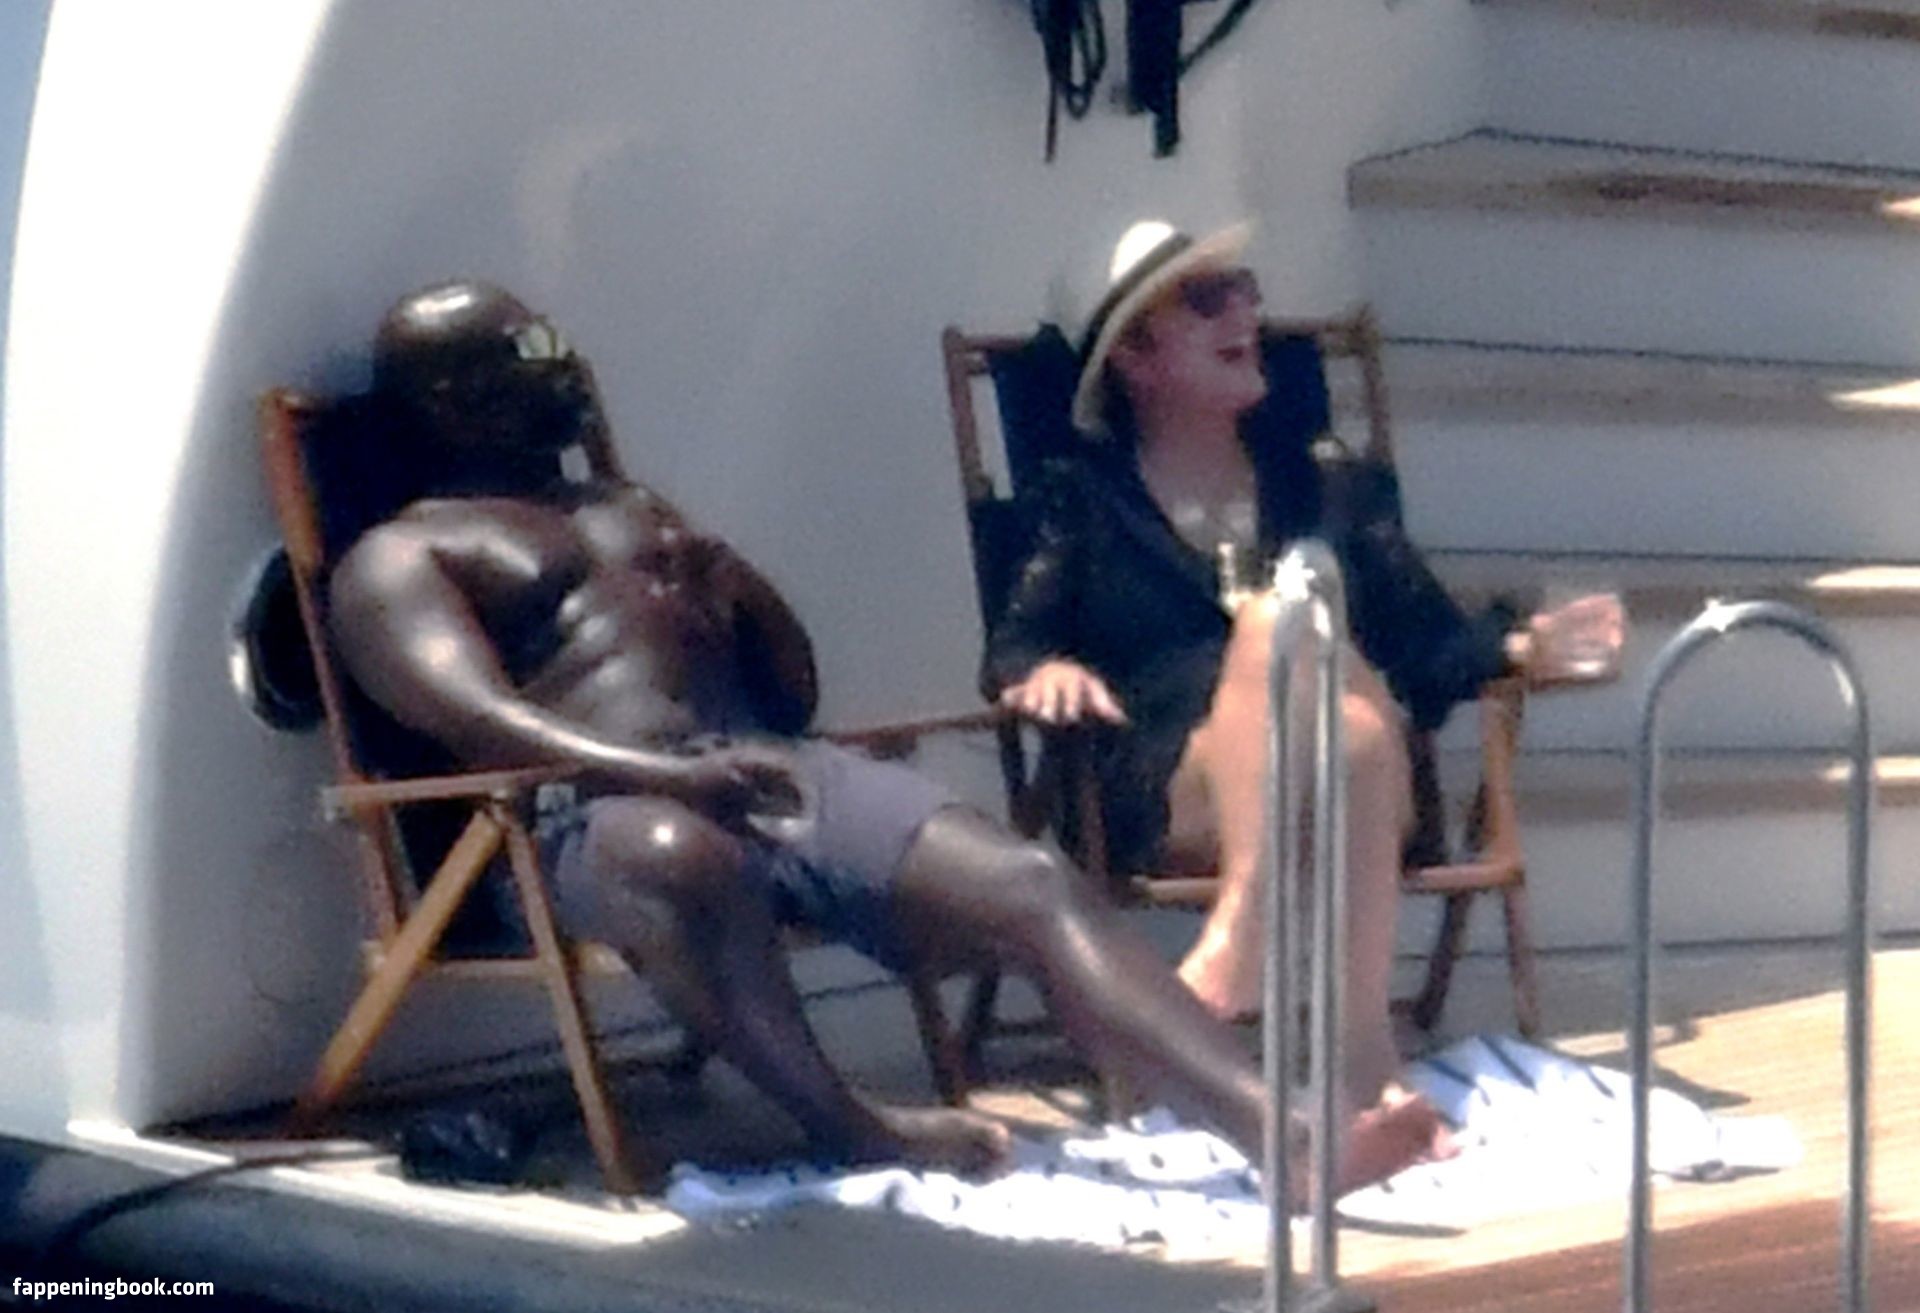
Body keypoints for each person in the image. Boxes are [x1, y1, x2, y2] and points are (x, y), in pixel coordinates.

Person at [324, 278, 1444, 1195]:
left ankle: (1281, 1134)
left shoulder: (630, 507)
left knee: (1029, 881)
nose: (565, 368)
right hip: (584, 815)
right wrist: (664, 773)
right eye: (531, 352)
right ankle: (854, 1125)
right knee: (675, 852)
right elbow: (476, 718)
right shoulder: (406, 554)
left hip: (767, 770)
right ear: (456, 402)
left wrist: (733, 585)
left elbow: (793, 690)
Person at [985, 220, 1625, 1122]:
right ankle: (1364, 1057)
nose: (1244, 312)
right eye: (1206, 298)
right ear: (1134, 354)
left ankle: (1241, 933)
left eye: (1244, 288)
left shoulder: (1330, 486)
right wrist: (1041, 669)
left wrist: (1524, 645)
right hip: (1178, 786)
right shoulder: (1081, 501)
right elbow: (1013, 647)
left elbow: (1428, 643)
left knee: (1295, 625)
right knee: (1310, 656)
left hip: (1359, 784)